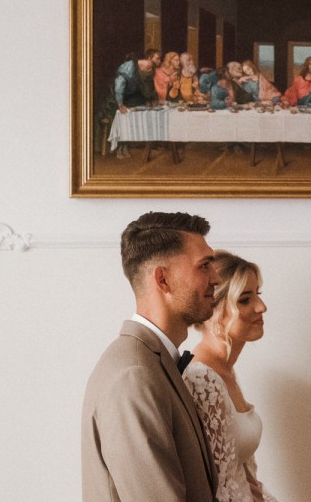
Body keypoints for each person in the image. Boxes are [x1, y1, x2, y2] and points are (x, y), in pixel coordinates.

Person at [81, 211, 220, 502]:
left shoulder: (152, 361)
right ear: (163, 279)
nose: (216, 277)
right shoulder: (134, 374)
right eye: (204, 265)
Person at [184, 251, 279, 502]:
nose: (261, 307)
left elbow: (243, 473)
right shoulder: (201, 379)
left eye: (258, 294)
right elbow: (217, 488)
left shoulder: (225, 371)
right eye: (245, 300)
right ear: (212, 309)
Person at [113, 53, 157, 159]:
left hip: (133, 98)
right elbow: (119, 88)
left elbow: (147, 87)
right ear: (145, 68)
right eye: (148, 71)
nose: (148, 74)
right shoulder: (127, 69)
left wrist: (151, 99)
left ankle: (126, 147)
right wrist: (120, 104)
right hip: (120, 99)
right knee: (124, 119)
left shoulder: (141, 70)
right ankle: (120, 148)